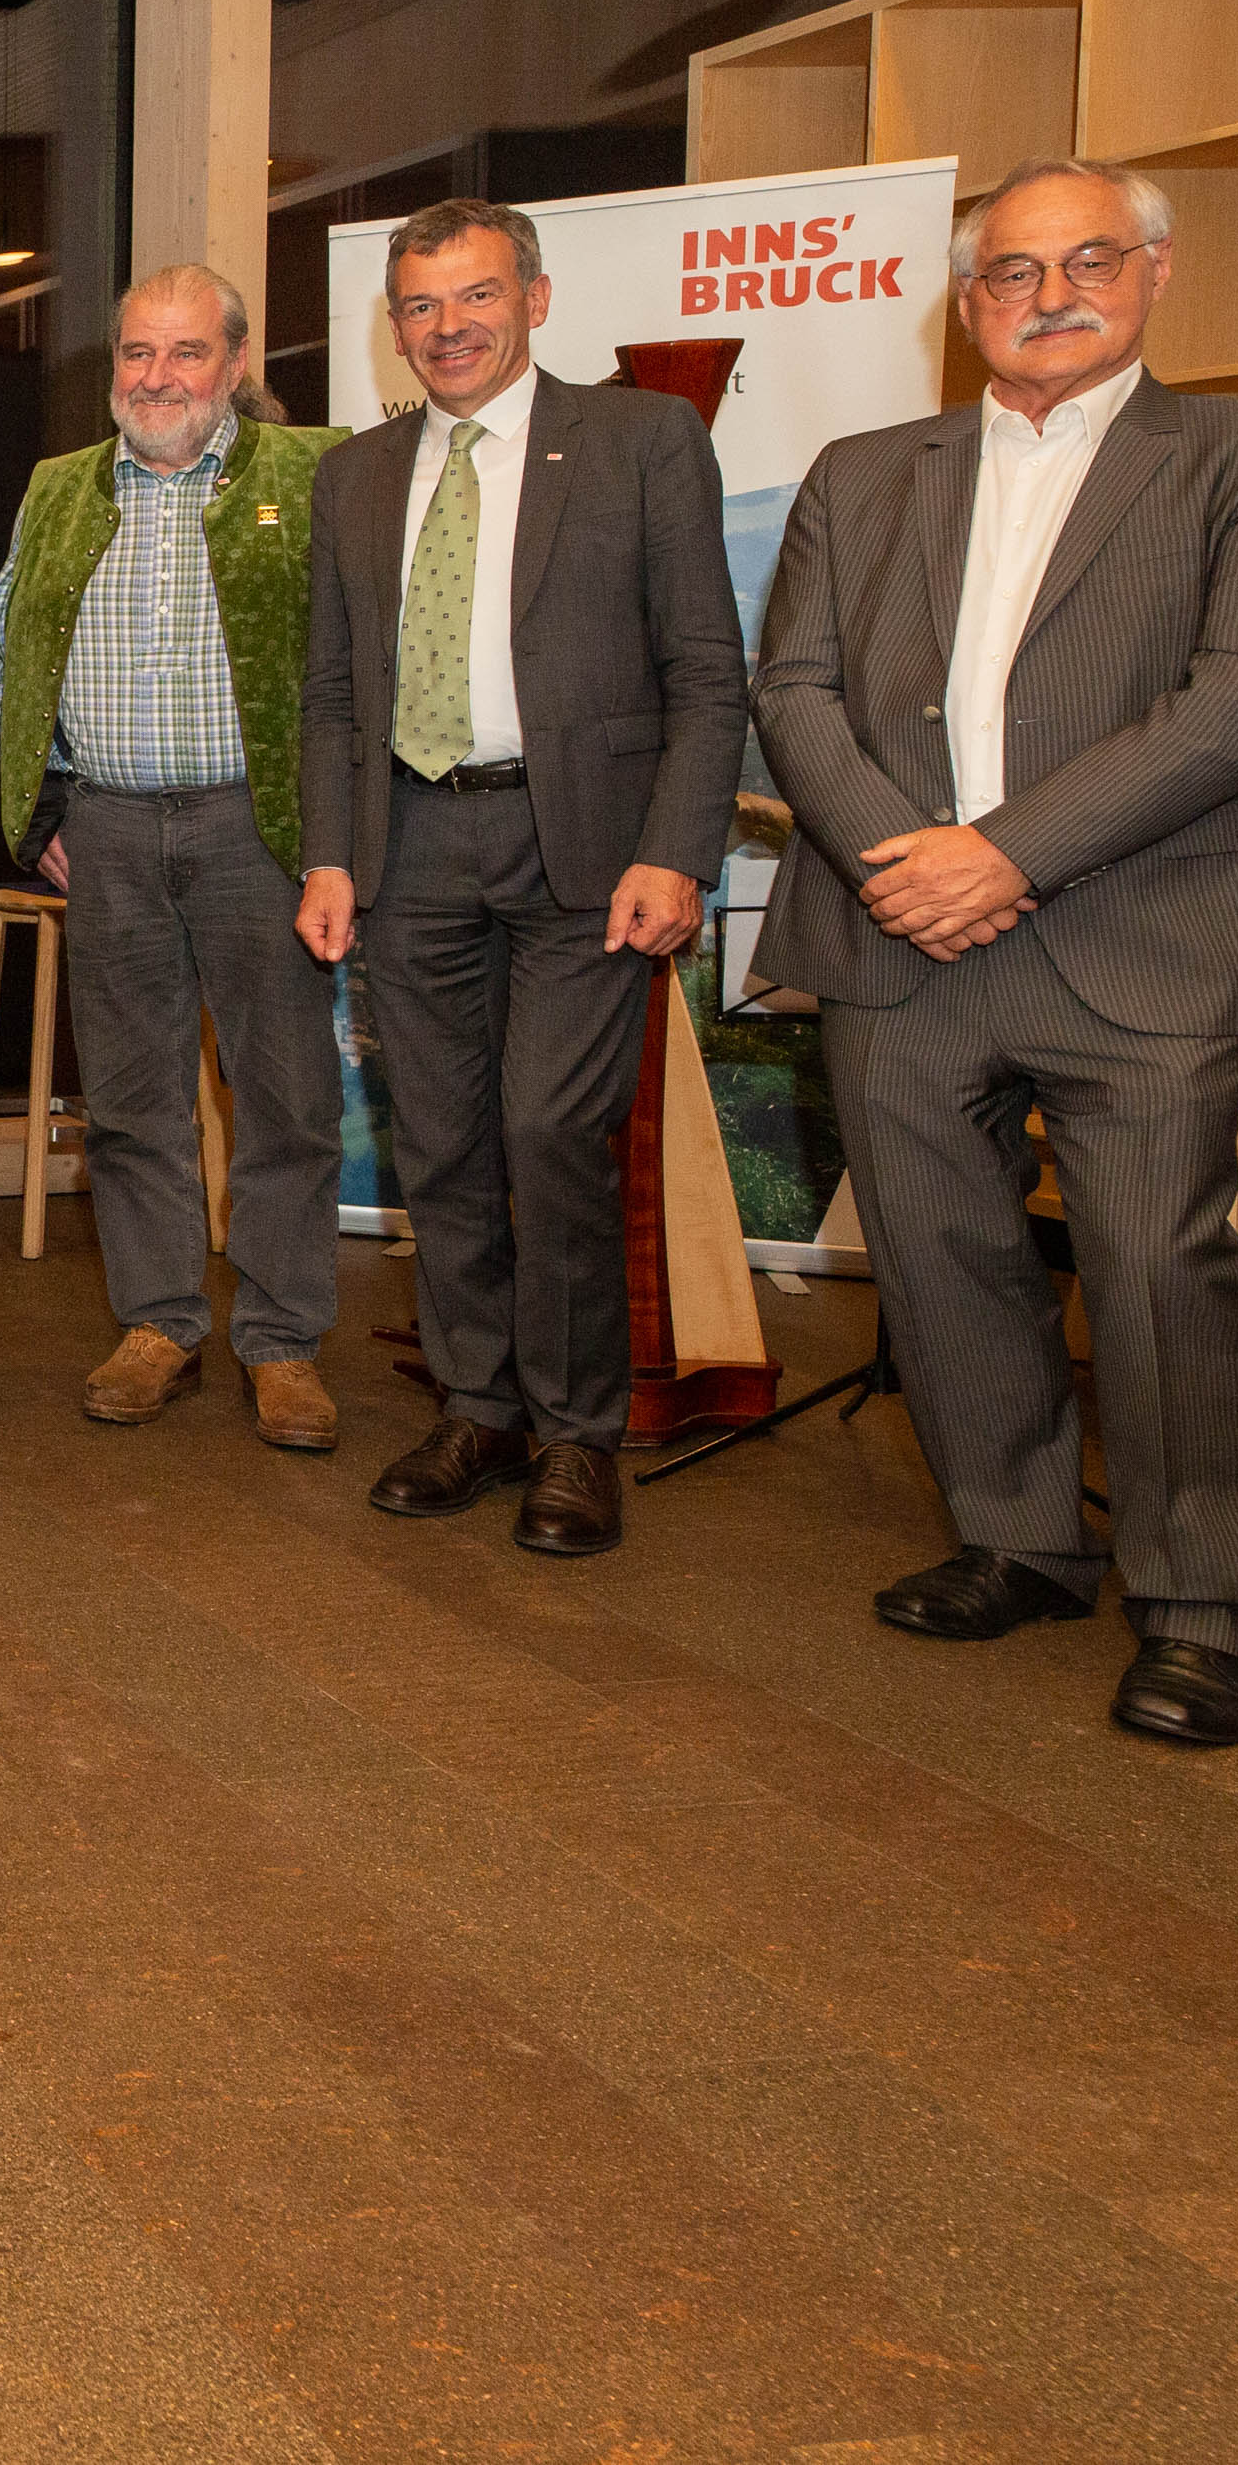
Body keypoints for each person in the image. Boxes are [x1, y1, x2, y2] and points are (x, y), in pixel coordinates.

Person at [754, 157, 1238, 1749]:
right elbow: (794, 686)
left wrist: (1002, 854)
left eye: (1089, 258)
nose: (1049, 293)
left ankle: (1202, 1605)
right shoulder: (864, 469)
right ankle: (1018, 1537)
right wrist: (906, 860)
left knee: (1159, 1269)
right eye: (1010, 272)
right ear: (970, 303)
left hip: (1143, 938)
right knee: (941, 1261)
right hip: (902, 936)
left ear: (1156, 271)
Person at [299, 200, 745, 1555]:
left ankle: (574, 1435)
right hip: (410, 845)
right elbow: (329, 689)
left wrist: (676, 848)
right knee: (441, 1142)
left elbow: (707, 672)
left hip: (586, 851)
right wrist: (329, 850)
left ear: (536, 300)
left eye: (477, 296)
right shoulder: (357, 474)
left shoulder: (641, 441)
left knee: (552, 1137)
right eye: (423, 306)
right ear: (396, 325)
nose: (450, 327)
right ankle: (476, 1406)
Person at [0, 270, 347, 1443]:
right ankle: (156, 1323)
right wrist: (42, 811)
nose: (156, 377)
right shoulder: (59, 487)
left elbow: (353, 667)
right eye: (136, 354)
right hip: (109, 833)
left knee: (282, 1097)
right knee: (133, 1100)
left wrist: (335, 836)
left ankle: (283, 1339)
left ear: (233, 364)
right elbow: (10, 653)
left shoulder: (311, 474)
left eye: (184, 353)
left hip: (260, 829)